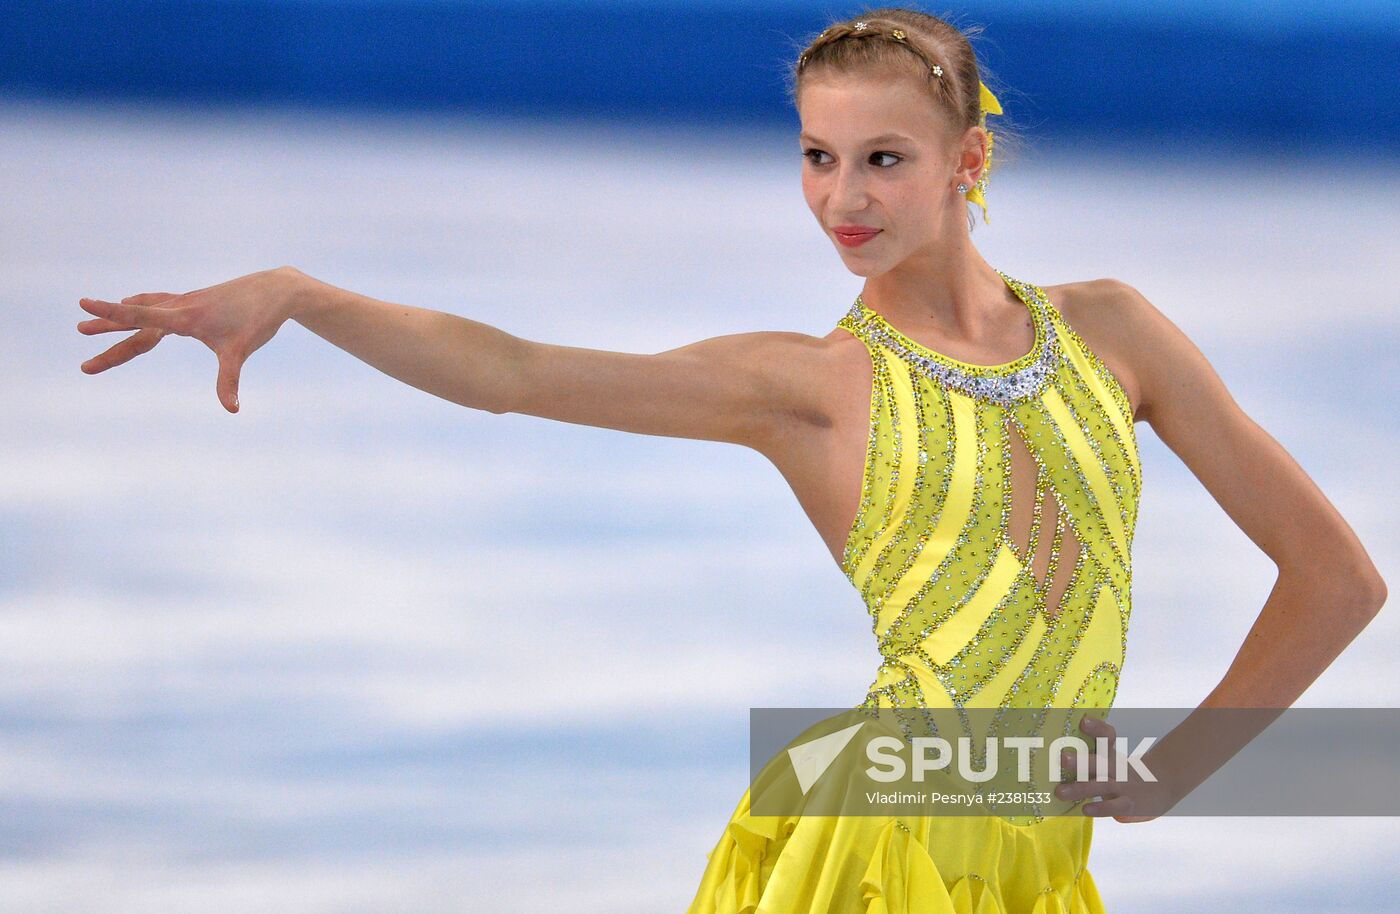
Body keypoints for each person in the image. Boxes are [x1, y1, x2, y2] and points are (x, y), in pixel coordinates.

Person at [75, 6, 1386, 913]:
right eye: (817, 158)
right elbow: (516, 372)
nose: (842, 199)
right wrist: (307, 296)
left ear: (966, 163)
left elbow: (1335, 575)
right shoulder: (810, 386)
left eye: (883, 159)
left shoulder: (1113, 331)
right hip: (883, 839)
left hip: (1031, 851)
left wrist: (1173, 771)